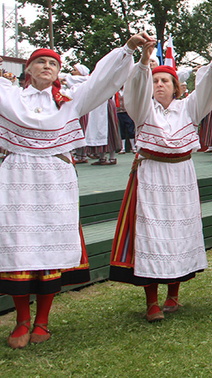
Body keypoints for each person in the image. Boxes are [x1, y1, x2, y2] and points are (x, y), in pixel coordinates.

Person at [0, 35, 147, 348]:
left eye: (53, 63)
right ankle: (22, 319)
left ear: (58, 72)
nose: (47, 66)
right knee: (18, 243)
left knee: (50, 242)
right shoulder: (9, 96)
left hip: (55, 177)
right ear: (28, 68)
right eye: (41, 61)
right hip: (17, 177)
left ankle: (42, 320)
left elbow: (101, 81)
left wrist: (128, 49)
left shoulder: (68, 102)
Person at [109, 39, 212, 322]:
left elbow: (207, 91)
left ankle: (173, 293)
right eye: (155, 80)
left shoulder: (189, 109)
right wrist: (143, 60)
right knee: (151, 234)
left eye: (166, 80)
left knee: (179, 232)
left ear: (177, 87)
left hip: (181, 175)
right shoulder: (143, 110)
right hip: (152, 174)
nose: (160, 85)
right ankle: (151, 301)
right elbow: (136, 90)